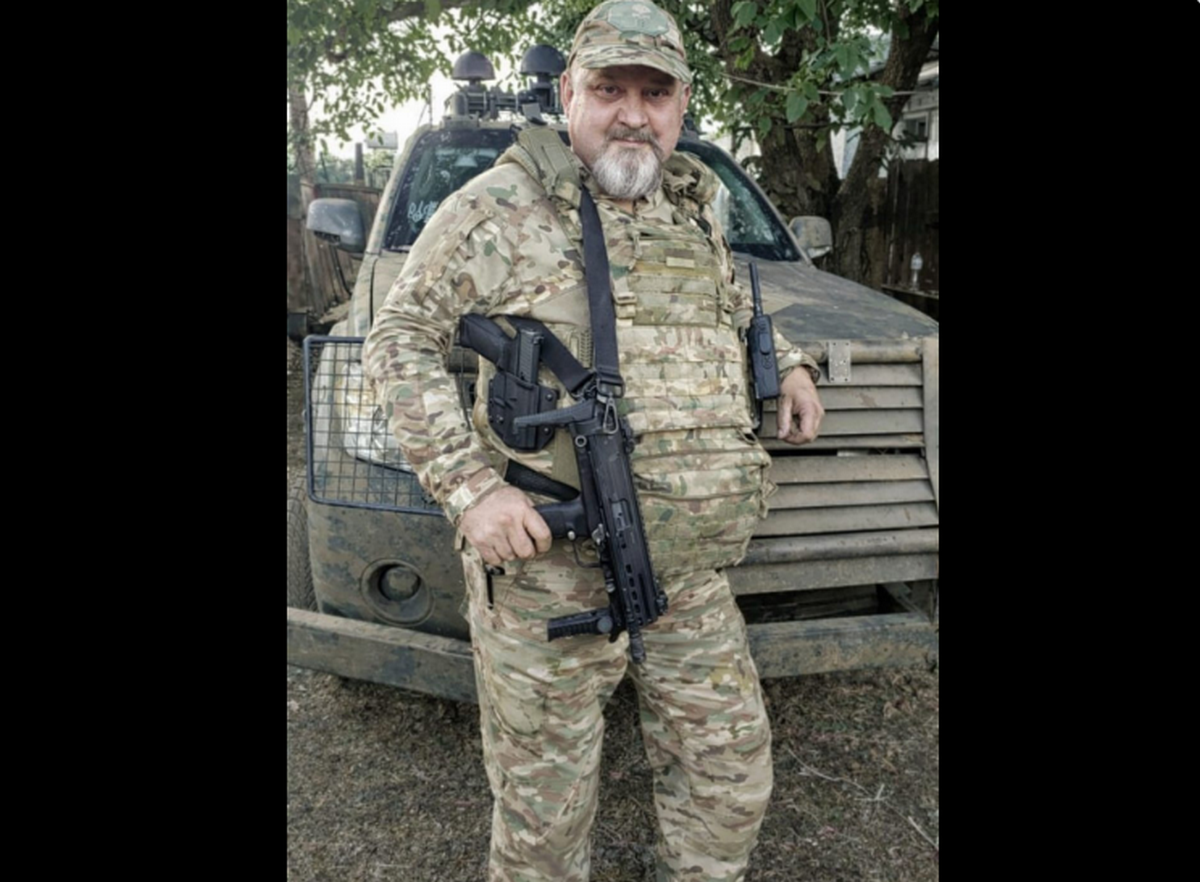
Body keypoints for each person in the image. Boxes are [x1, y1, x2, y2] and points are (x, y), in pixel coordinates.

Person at [362, 2, 825, 878]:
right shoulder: (500, 206)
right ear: (570, 92)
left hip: (685, 576)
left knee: (730, 784)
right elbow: (398, 338)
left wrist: (790, 362)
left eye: (655, 93)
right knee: (545, 822)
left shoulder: (689, 204)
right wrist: (470, 488)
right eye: (611, 90)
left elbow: (727, 302)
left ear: (681, 104)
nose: (633, 115)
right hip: (549, 577)